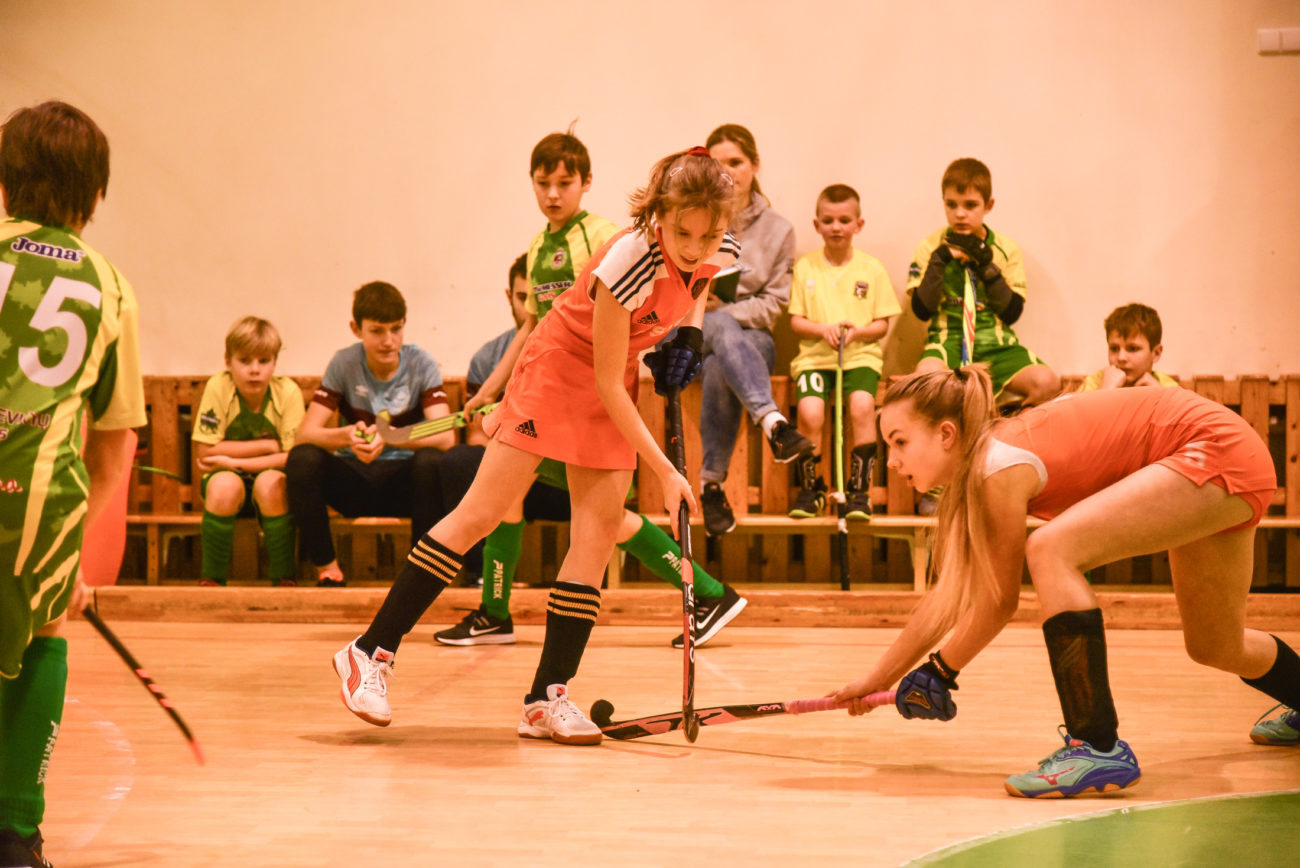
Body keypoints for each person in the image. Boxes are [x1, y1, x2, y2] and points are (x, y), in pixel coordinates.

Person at [332, 148, 739, 745]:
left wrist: (691, 335)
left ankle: (546, 698)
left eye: (708, 235)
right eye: (683, 233)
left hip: (613, 375)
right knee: (482, 513)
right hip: (559, 370)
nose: (695, 247)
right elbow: (604, 381)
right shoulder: (629, 259)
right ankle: (369, 652)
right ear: (659, 216)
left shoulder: (718, 244)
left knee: (597, 535)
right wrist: (665, 470)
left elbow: (701, 283)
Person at [833, 367, 1299, 798]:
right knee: (1216, 646)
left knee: (1051, 548)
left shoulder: (997, 465)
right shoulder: (988, 468)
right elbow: (954, 599)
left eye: (899, 442)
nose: (891, 461)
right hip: (1227, 454)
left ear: (946, 434)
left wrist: (940, 670)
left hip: (1212, 448)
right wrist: (877, 680)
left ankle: (1097, 745)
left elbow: (998, 603)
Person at [440, 135, 745, 650]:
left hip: (594, 388)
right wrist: (492, 390)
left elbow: (661, 291)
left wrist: (686, 336)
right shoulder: (538, 248)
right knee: (519, 501)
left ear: (586, 183)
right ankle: (495, 612)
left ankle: (708, 592)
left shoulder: (608, 237)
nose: (553, 194)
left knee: (599, 518)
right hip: (552, 385)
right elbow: (534, 326)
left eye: (565, 183)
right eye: (543, 183)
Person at [0, 101, 146, 868]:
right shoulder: (108, 285)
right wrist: (74, 557)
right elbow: (113, 446)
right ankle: (17, 838)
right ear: (95, 194)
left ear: (4, 183)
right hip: (39, 501)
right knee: (42, 636)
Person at [285, 282, 455, 587]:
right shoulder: (344, 362)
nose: (389, 341)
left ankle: (419, 578)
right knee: (302, 459)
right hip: (354, 479)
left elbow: (445, 436)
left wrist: (391, 436)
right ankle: (328, 570)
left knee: (432, 462)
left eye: (396, 329)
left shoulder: (422, 362)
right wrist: (347, 435)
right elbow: (305, 434)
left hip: (403, 483)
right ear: (356, 329)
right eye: (377, 331)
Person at [698, 124, 813, 536]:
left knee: (720, 363)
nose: (727, 173)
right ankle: (773, 423)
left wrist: (727, 310)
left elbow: (774, 305)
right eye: (717, 165)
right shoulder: (692, 221)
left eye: (736, 162)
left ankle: (711, 487)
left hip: (752, 340)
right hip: (695, 332)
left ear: (754, 165)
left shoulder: (779, 230)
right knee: (715, 331)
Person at [787, 185, 900, 520]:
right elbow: (796, 321)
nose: (836, 227)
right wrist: (823, 330)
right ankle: (813, 490)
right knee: (809, 412)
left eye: (844, 220)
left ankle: (859, 491)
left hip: (860, 357)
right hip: (814, 359)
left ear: (858, 225)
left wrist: (857, 333)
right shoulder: (805, 268)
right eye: (828, 220)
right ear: (817, 225)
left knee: (863, 406)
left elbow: (882, 324)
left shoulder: (872, 269)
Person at [906, 159, 1059, 406]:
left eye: (970, 205)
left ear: (988, 205)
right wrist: (940, 259)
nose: (960, 214)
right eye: (951, 204)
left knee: (1048, 383)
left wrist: (987, 266)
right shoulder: (929, 247)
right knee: (926, 377)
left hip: (996, 345)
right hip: (948, 341)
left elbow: (1011, 313)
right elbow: (922, 311)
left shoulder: (1006, 249)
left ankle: (1007, 424)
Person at [192, 316, 303, 586]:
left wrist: (232, 461)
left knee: (271, 484)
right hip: (224, 482)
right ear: (228, 362)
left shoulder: (288, 392)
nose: (254, 370)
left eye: (264, 361)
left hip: (268, 481)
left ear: (274, 363)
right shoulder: (219, 386)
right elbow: (206, 452)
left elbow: (293, 457)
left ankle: (284, 578)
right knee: (224, 486)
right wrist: (267, 446)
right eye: (244, 360)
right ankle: (212, 579)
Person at [1079, 303, 1180, 391]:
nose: (1121, 357)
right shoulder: (1094, 383)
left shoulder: (1167, 387)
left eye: (1132, 349)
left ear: (1156, 353)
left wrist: (1161, 396)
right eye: (1114, 348)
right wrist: (1105, 390)